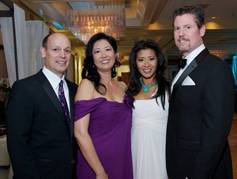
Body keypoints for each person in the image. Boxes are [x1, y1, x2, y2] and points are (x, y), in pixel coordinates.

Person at [166, 5, 235, 179]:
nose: (181, 33)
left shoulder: (216, 68)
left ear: (202, 30)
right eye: (177, 28)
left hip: (202, 168)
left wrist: (198, 174)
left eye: (188, 27)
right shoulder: (181, 68)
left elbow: (216, 132)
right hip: (181, 163)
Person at [7, 33, 78, 179]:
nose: (62, 55)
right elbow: (17, 142)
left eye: (67, 50)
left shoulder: (74, 89)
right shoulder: (24, 88)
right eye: (56, 49)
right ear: (43, 52)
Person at [74, 32, 133, 179]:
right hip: (95, 162)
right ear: (92, 58)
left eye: (108, 49)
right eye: (97, 51)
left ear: (115, 54)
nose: (104, 55)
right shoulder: (87, 85)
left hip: (122, 158)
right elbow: (80, 133)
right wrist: (100, 172)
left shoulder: (122, 86)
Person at [126, 40, 170, 179]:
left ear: (158, 61)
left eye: (151, 59)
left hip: (162, 149)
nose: (146, 64)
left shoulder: (169, 89)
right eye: (141, 60)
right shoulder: (128, 92)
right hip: (136, 148)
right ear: (135, 63)